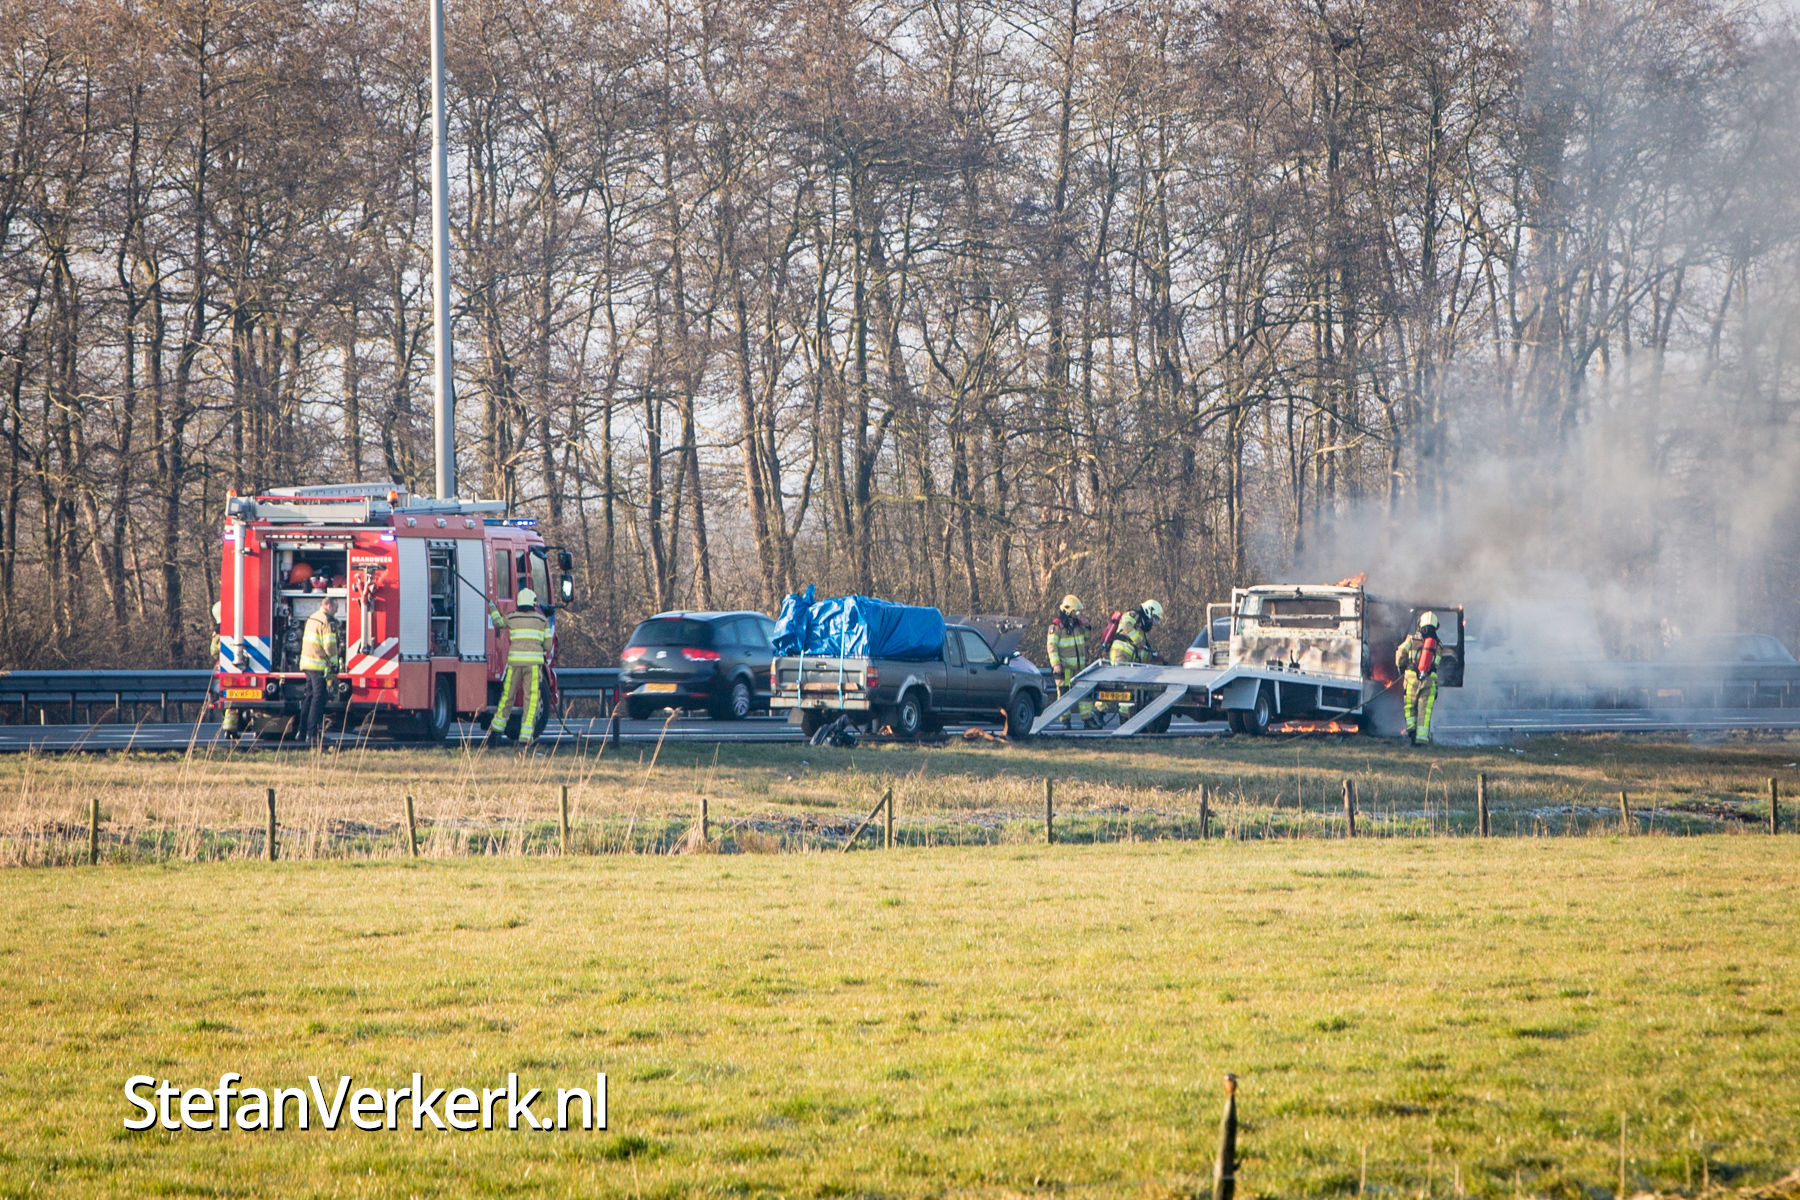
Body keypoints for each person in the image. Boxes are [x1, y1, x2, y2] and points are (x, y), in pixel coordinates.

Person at [489, 587, 551, 746]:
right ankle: (525, 739)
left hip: (514, 665)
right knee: (531, 701)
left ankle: (495, 733)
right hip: (533, 667)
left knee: (507, 697)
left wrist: (493, 608)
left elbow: (498, 622)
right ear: (533, 603)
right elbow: (548, 645)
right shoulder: (542, 621)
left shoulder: (512, 618)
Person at [1099, 599, 1164, 720]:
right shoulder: (1133, 614)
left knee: (1124, 686)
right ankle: (1101, 711)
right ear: (1149, 611)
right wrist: (1137, 639)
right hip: (1120, 654)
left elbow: (1141, 651)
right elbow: (1125, 625)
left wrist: (1154, 658)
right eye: (1153, 618)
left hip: (1128, 658)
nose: (1152, 622)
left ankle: (1124, 716)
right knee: (1120, 685)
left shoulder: (1140, 627)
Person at [1045, 594, 1099, 730]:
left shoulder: (1077, 625)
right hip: (1065, 668)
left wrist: (1087, 626)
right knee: (1065, 695)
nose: (1078, 614)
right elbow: (1051, 647)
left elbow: (1086, 638)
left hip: (1079, 668)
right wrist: (1056, 664)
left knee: (1085, 693)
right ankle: (1065, 721)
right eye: (1076, 612)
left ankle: (1087, 719)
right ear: (1068, 610)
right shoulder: (1056, 627)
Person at [297, 596, 340, 745]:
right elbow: (329, 645)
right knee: (318, 699)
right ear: (329, 606)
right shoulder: (327, 621)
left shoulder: (312, 618)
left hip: (307, 664)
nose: (337, 610)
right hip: (318, 665)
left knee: (308, 698)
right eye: (336, 607)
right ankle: (313, 734)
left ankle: (301, 732)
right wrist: (334, 663)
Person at [1395, 611, 1442, 745]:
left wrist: (1401, 667)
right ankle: (1421, 738)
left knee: (1410, 706)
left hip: (1411, 678)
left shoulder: (1411, 640)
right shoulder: (1438, 645)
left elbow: (1400, 654)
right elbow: (1436, 664)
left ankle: (1412, 732)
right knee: (1424, 710)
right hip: (1429, 680)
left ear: (1420, 624)